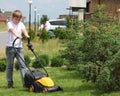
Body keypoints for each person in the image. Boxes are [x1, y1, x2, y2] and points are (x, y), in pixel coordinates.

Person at [6, 10, 30, 88]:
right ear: (13, 18)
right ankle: (10, 84)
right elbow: (12, 30)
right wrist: (17, 35)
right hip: (10, 48)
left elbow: (24, 30)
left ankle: (25, 84)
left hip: (19, 48)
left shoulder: (21, 24)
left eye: (19, 19)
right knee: (10, 66)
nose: (17, 21)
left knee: (23, 66)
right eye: (16, 19)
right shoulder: (9, 23)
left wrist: (26, 35)